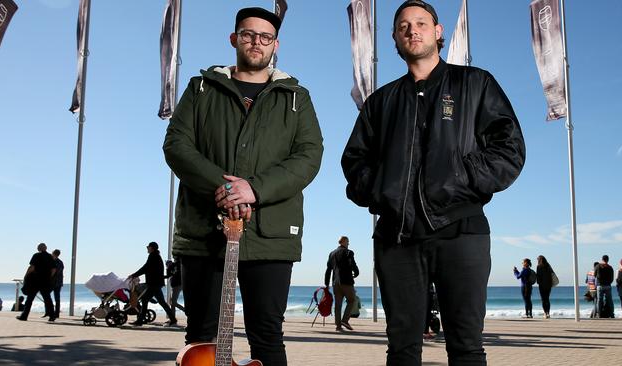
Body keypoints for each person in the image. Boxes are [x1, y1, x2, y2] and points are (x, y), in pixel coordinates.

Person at [341, 1, 525, 364]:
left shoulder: (475, 83)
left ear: (438, 32)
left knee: (466, 347)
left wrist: (463, 177)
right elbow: (354, 161)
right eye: (404, 25)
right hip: (397, 237)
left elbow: (510, 149)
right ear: (395, 38)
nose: (413, 30)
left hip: (462, 231)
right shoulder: (380, 101)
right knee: (403, 350)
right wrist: (382, 191)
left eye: (421, 23)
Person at [163, 6, 323, 365]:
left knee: (267, 336)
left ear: (275, 45)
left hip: (270, 235)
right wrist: (223, 188)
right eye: (248, 34)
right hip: (204, 233)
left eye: (265, 37)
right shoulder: (201, 87)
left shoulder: (296, 98)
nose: (256, 42)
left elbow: (309, 156)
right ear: (234, 38)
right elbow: (176, 144)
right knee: (201, 337)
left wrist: (255, 189)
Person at [128, 242, 176, 326]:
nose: (147, 248)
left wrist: (134, 275)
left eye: (148, 247)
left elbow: (145, 268)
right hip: (156, 283)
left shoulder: (153, 256)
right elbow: (147, 268)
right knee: (161, 302)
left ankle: (140, 321)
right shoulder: (156, 256)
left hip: (154, 283)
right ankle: (173, 319)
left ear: (152, 248)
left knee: (145, 300)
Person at [324, 236, 360, 332]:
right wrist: (356, 272)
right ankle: (345, 320)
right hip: (346, 281)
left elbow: (328, 270)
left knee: (338, 305)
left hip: (335, 283)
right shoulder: (348, 252)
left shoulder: (332, 254)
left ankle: (338, 326)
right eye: (348, 242)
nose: (348, 244)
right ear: (343, 242)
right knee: (352, 300)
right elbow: (353, 264)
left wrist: (326, 284)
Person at [17, 243, 56, 321]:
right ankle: (52, 316)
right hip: (45, 280)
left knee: (30, 299)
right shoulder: (50, 257)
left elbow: (32, 267)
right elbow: (54, 269)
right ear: (46, 248)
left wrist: (26, 276)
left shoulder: (36, 256)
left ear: (38, 249)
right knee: (47, 298)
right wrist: (49, 277)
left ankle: (24, 316)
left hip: (35, 280)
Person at [165, 258, 185, 325]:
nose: (167, 265)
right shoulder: (174, 267)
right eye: (167, 264)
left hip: (177, 286)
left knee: (173, 303)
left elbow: (168, 276)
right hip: (175, 286)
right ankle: (172, 318)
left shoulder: (174, 267)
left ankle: (185, 312)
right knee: (172, 303)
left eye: (168, 264)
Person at [51, 249, 64, 319]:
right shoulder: (60, 262)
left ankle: (54, 313)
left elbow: (56, 272)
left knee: (54, 297)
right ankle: (56, 313)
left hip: (55, 282)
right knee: (57, 298)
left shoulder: (57, 262)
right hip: (58, 282)